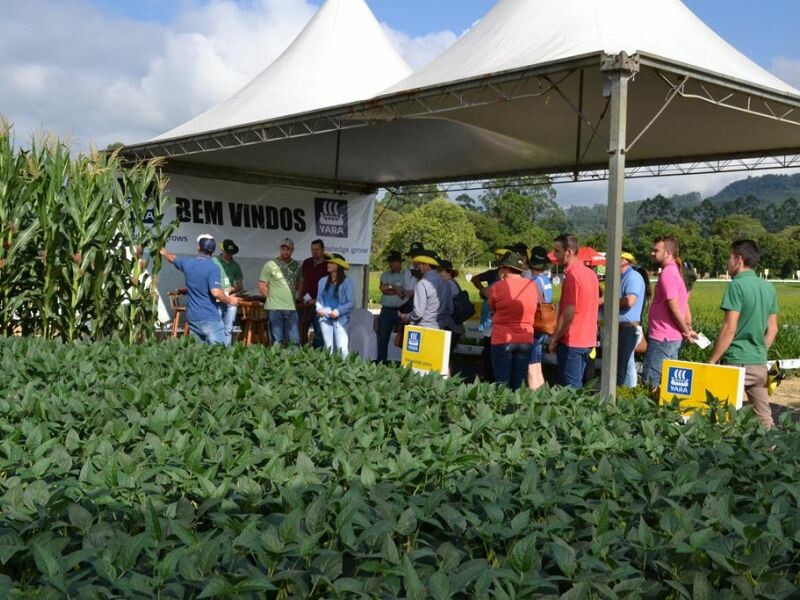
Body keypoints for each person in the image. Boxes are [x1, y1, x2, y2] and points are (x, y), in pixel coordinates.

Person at [708, 240, 779, 429]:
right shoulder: (768, 287)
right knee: (764, 418)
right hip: (759, 364)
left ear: (738, 259)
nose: (727, 262)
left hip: (736, 362)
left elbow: (729, 329)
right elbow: (773, 329)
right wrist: (758, 351)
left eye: (729, 258)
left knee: (723, 418)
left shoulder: (736, 286)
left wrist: (712, 361)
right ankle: (775, 453)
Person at [160, 234, 240, 346]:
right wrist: (230, 300)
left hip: (192, 318)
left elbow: (172, 258)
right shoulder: (213, 267)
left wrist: (162, 250)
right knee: (221, 354)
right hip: (209, 318)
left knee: (200, 356)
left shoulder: (188, 263)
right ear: (213, 251)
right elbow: (216, 293)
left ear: (198, 247)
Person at [642, 236, 697, 387]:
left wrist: (686, 330)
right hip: (670, 337)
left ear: (667, 253)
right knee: (668, 383)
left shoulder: (668, 273)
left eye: (656, 250)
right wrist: (687, 327)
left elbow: (674, 307)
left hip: (663, 337)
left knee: (651, 381)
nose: (652, 253)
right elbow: (683, 304)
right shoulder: (676, 272)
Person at [548, 234, 599, 388]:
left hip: (572, 340)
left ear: (568, 252)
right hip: (588, 339)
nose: (554, 255)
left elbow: (569, 312)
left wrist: (554, 338)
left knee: (570, 390)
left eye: (557, 251)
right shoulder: (591, 274)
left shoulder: (572, 277)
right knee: (579, 387)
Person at [489, 252, 538, 390]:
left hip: (502, 338)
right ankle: (519, 408)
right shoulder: (531, 286)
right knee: (520, 381)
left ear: (505, 269)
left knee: (502, 381)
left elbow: (492, 307)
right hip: (525, 338)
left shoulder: (497, 287)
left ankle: (503, 410)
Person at [472, 248, 510, 382]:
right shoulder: (492, 273)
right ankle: (490, 380)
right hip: (490, 320)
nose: (498, 259)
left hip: (500, 323)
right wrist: (483, 290)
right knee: (489, 353)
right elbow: (475, 279)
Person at [259, 238, 302, 348]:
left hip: (291, 308)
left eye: (288, 249)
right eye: (283, 248)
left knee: (295, 341)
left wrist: (292, 295)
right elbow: (262, 285)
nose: (285, 251)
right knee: (277, 341)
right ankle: (276, 364)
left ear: (293, 250)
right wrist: (271, 298)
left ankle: (295, 364)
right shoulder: (270, 264)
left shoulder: (297, 266)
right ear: (280, 249)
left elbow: (299, 283)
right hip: (275, 308)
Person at [399, 250, 452, 330]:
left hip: (424, 328)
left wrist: (405, 316)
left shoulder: (422, 283)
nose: (418, 266)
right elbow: (450, 309)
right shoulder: (445, 283)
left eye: (420, 263)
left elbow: (418, 313)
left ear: (426, 265)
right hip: (441, 328)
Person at [616, 249, 646, 387]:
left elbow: (630, 301)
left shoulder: (632, 277)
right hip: (621, 328)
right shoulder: (622, 278)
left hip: (627, 328)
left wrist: (607, 300)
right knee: (627, 364)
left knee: (622, 366)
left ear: (623, 260)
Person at [316, 253, 355, 356]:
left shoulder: (347, 282)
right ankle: (330, 371)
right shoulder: (322, 281)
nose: (328, 264)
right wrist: (319, 310)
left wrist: (338, 311)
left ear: (338, 266)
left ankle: (345, 371)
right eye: (329, 262)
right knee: (328, 349)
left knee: (342, 348)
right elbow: (319, 300)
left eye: (332, 263)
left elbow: (351, 303)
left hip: (340, 319)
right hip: (325, 319)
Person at [527, 246, 553, 390]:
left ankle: (534, 398)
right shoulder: (546, 280)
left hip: (534, 325)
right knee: (538, 365)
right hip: (545, 324)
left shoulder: (532, 281)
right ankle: (542, 394)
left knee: (531, 366)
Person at [213, 239, 244, 346]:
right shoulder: (213, 261)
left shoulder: (235, 265)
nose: (229, 254)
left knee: (228, 328)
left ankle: (226, 351)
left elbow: (240, 285)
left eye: (231, 252)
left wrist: (232, 289)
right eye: (227, 252)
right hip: (215, 299)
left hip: (230, 300)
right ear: (222, 250)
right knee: (216, 327)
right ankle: (215, 350)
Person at [298, 239, 328, 348]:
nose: (314, 252)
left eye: (317, 249)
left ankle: (317, 358)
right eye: (312, 249)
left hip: (320, 304)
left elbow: (330, 287)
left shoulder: (328, 264)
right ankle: (302, 355)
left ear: (323, 250)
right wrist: (299, 295)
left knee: (319, 332)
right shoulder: (307, 262)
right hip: (304, 303)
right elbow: (302, 280)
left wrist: (316, 300)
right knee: (300, 331)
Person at [377, 251, 405, 363]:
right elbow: (383, 290)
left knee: (403, 338)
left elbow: (402, 292)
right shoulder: (384, 274)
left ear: (399, 263)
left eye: (392, 262)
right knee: (383, 338)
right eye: (389, 262)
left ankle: (402, 363)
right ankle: (381, 363)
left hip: (400, 310)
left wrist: (390, 288)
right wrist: (395, 289)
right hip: (386, 310)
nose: (390, 264)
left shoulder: (405, 275)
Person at [438, 259, 463, 362]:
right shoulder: (454, 283)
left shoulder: (448, 284)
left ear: (448, 272)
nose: (438, 273)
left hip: (450, 324)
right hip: (455, 325)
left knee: (445, 358)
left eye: (440, 271)